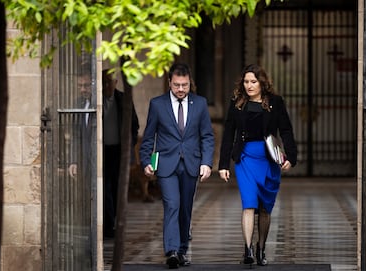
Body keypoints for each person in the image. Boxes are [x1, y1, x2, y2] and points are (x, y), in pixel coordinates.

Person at [218, 64, 297, 267]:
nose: (249, 86)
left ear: (262, 83)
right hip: (245, 158)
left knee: (264, 208)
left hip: (268, 158)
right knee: (248, 203)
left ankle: (261, 247)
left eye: (253, 82)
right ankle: (248, 249)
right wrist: (223, 164)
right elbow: (229, 133)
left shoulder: (275, 102)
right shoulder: (237, 102)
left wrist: (290, 157)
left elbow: (286, 129)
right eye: (246, 82)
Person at [139, 63, 215, 269]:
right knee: (172, 204)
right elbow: (148, 137)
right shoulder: (157, 104)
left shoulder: (199, 104)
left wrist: (207, 163)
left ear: (190, 83)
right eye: (176, 85)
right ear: (169, 83)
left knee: (185, 209)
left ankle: (181, 251)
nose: (181, 89)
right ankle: (171, 251)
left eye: (185, 85)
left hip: (191, 164)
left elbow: (207, 136)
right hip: (166, 165)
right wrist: (146, 161)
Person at [102, 69, 139, 238]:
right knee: (104, 188)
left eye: (110, 81)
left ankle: (116, 220)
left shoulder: (124, 99)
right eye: (104, 82)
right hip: (102, 151)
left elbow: (134, 124)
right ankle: (108, 224)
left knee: (117, 187)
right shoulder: (96, 101)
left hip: (118, 151)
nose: (107, 85)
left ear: (116, 83)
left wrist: (129, 147)